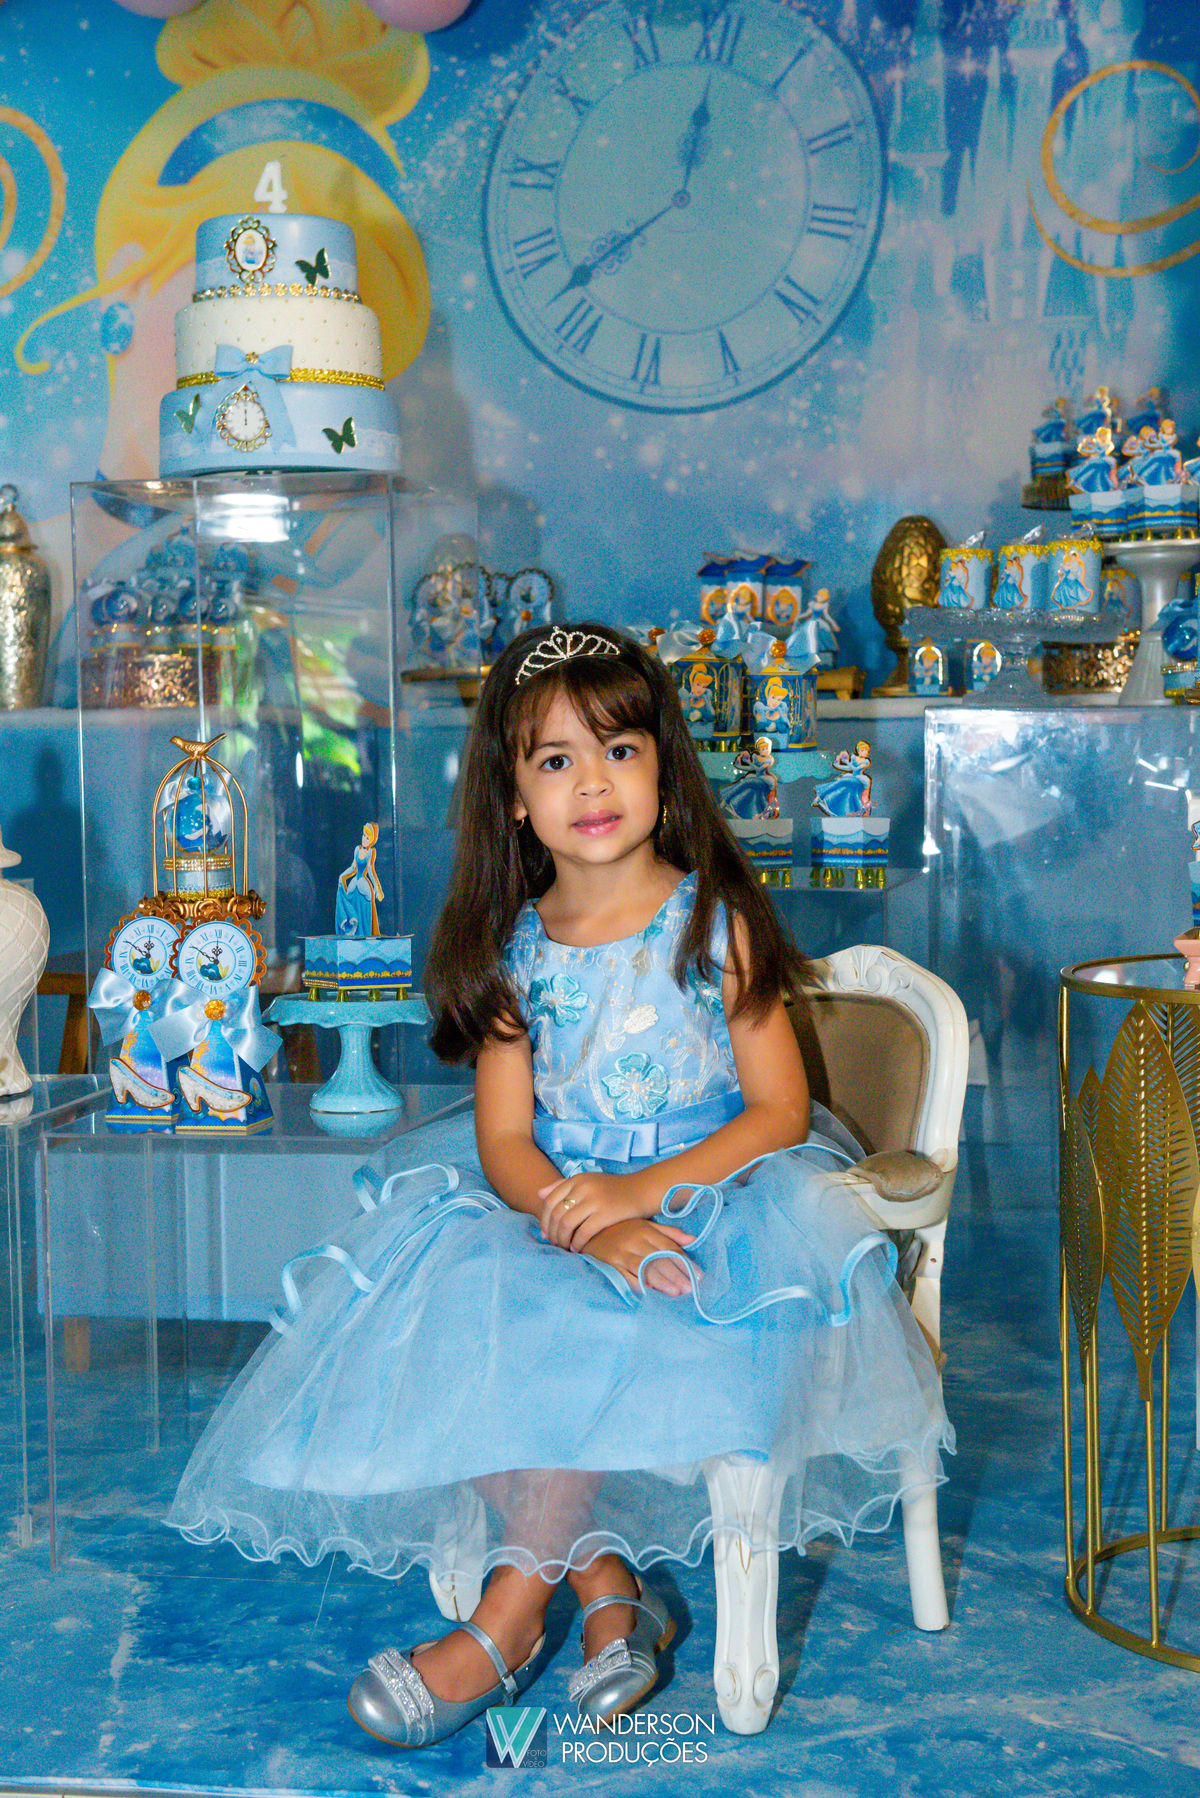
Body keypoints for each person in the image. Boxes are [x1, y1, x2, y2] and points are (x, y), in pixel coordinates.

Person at [165, 621, 953, 1748]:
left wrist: (637, 1199)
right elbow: (503, 1141)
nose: (592, 782)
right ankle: (607, 1590)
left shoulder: (715, 927)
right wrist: (579, 1220)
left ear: (665, 772)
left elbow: (779, 1112)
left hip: (712, 1207)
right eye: (555, 759)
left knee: (596, 1332)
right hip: (554, 1209)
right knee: (460, 1322)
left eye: (620, 750)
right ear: (514, 799)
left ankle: (506, 1620)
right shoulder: (514, 954)